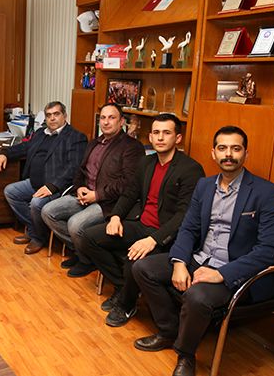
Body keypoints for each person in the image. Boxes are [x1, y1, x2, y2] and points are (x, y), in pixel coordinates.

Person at [132, 126, 274, 376]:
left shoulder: (267, 192)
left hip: (237, 270)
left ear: (246, 153)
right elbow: (188, 228)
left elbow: (268, 250)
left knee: (196, 296)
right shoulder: (204, 186)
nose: (228, 154)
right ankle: (169, 331)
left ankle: (185, 354)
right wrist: (179, 262)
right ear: (213, 153)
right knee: (142, 268)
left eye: (235, 149)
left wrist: (222, 274)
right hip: (200, 258)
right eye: (222, 148)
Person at [81, 114, 205, 327]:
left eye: (166, 133)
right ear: (150, 136)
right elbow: (130, 193)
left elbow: (184, 215)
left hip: (165, 234)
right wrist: (116, 216)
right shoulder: (147, 162)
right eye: (156, 133)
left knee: (134, 262)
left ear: (177, 138)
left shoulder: (191, 169)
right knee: (89, 237)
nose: (160, 138)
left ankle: (126, 304)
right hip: (139, 224)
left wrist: (153, 240)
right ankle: (123, 287)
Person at [41, 103, 145, 277]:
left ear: (122, 122)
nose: (106, 122)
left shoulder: (132, 146)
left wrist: (96, 195)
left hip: (109, 202)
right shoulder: (94, 143)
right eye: (103, 118)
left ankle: (86, 261)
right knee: (48, 211)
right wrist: (79, 187)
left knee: (75, 224)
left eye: (111, 118)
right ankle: (82, 251)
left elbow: (127, 183)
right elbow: (80, 170)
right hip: (83, 194)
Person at [0, 101, 87, 254]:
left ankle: (38, 238)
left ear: (65, 116)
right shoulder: (41, 133)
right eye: (49, 115)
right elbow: (25, 147)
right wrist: (5, 153)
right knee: (11, 191)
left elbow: (73, 167)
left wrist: (52, 186)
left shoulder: (76, 137)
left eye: (56, 114)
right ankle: (34, 228)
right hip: (34, 182)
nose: (52, 118)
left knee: (36, 203)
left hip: (57, 187)